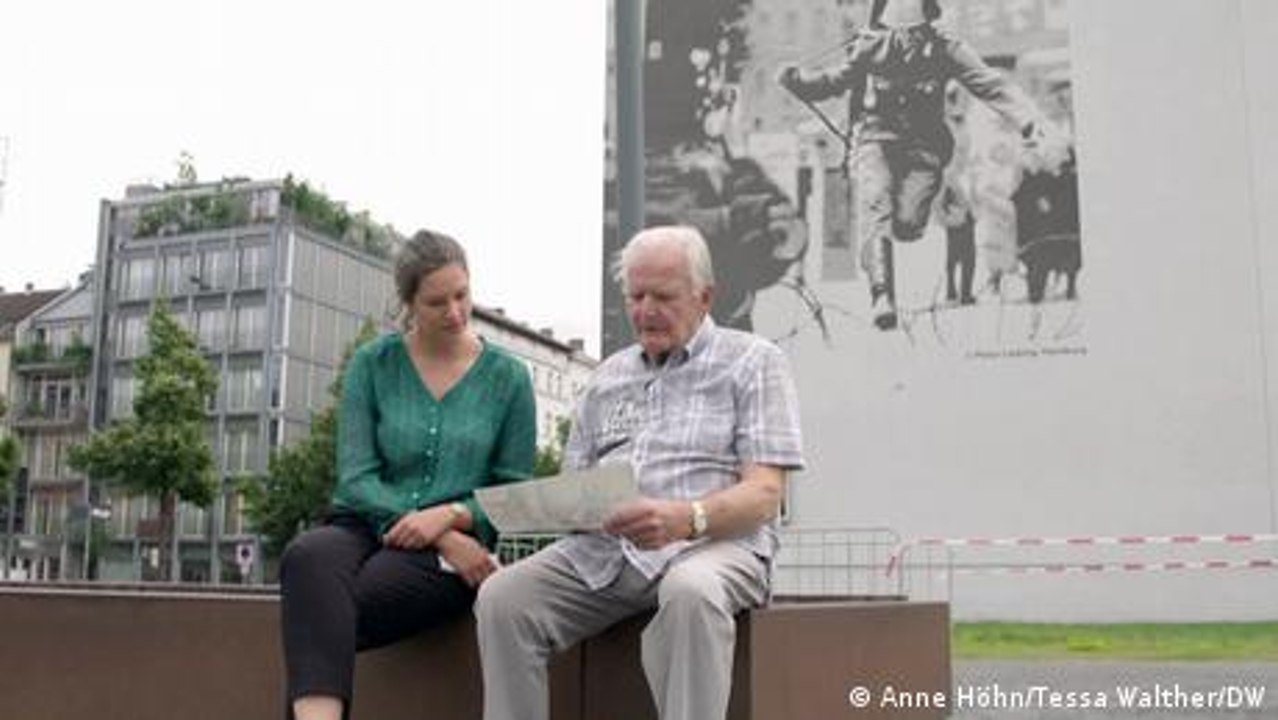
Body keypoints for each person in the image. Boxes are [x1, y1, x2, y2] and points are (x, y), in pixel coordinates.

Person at [475, 225, 805, 720]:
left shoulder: (755, 362)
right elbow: (576, 482)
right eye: (636, 295)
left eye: (664, 296)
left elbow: (764, 494)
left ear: (704, 296)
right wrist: (566, 506)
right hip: (608, 552)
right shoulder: (607, 376)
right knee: (502, 596)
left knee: (690, 590)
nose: (646, 310)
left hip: (714, 545)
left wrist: (686, 518)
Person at [278, 230, 537, 720]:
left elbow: (514, 492)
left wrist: (452, 520)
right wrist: (432, 531)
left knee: (338, 606)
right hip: (367, 522)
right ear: (408, 304)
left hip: (462, 543)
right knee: (306, 556)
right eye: (437, 302)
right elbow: (356, 478)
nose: (456, 313)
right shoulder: (372, 364)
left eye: (462, 295)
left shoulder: (509, 378)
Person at [780, 0, 1051, 330]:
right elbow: (834, 81)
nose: (908, 39)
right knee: (875, 203)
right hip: (875, 138)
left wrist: (1028, 120)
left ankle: (902, 228)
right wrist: (798, 80)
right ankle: (882, 296)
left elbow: (988, 82)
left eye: (915, 32)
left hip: (925, 149)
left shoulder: (945, 48)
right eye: (901, 31)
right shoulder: (871, 46)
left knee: (908, 223)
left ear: (927, 20)